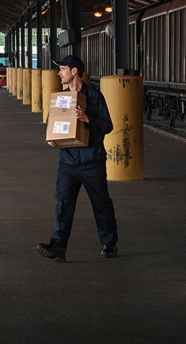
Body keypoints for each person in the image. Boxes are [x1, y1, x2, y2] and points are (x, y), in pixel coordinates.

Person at [37, 55, 118, 263]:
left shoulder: (94, 96)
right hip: (67, 161)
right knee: (63, 203)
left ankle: (110, 242)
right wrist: (53, 139)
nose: (59, 73)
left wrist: (87, 118)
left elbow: (108, 126)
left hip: (92, 161)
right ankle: (58, 245)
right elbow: (52, 123)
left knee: (101, 204)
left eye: (62, 69)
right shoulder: (60, 98)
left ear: (74, 71)